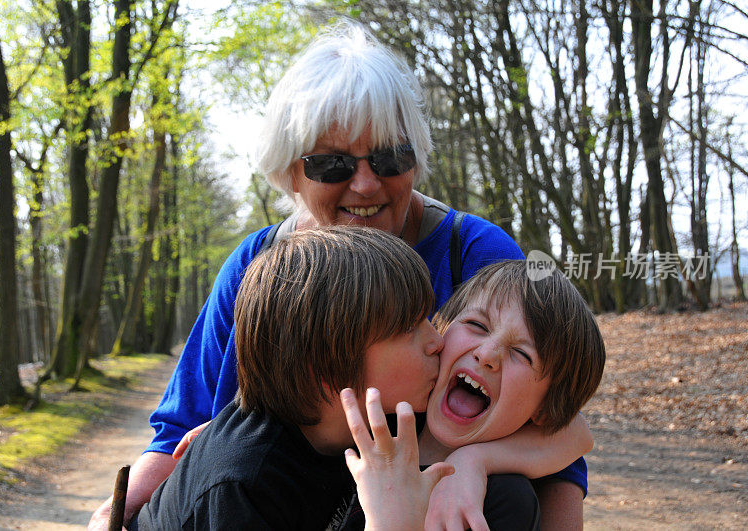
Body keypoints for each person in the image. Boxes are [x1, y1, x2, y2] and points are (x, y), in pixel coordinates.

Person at [89, 24, 586, 529]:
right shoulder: (263, 267)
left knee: (506, 497)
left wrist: (472, 463)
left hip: (391, 493)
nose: (366, 183)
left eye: (391, 155)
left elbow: (558, 418)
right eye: (331, 164)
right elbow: (181, 426)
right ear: (289, 173)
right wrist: (114, 514)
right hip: (284, 503)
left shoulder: (475, 255)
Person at [132, 227, 454, 529]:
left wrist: (475, 465)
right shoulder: (246, 485)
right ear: (327, 364)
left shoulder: (387, 418)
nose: (437, 342)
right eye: (409, 328)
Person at [340, 260, 606, 530]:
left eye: (523, 354)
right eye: (476, 325)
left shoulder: (504, 501)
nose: (487, 354)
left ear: (546, 409)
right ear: (441, 328)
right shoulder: (379, 421)